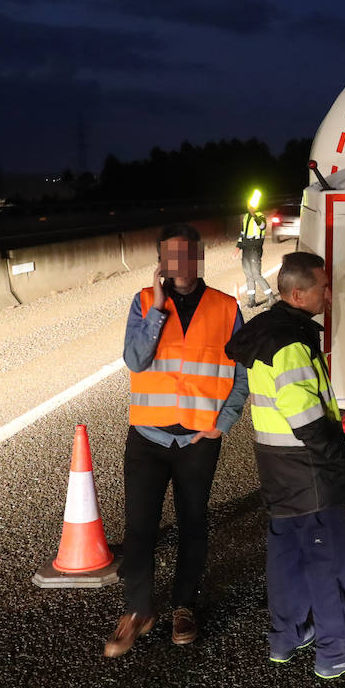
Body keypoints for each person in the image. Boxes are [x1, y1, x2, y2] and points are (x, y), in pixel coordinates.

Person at [223, 251, 345, 678]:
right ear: (298, 293)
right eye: (322, 287)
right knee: (326, 560)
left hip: (276, 464)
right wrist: (335, 461)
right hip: (307, 467)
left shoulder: (266, 331)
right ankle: (335, 651)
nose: (328, 294)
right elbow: (306, 416)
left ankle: (287, 635)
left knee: (287, 554)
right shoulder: (291, 343)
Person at [107, 224, 249, 657]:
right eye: (173, 257)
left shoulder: (226, 307)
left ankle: (184, 605)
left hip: (198, 440)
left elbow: (241, 372)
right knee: (139, 528)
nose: (181, 265)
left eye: (189, 255)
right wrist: (158, 309)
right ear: (161, 263)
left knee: (193, 523)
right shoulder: (144, 302)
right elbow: (135, 359)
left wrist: (223, 422)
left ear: (199, 258)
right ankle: (137, 610)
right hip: (148, 436)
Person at [238, 191, 274, 308]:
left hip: (255, 248)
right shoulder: (246, 216)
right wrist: (238, 248)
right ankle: (251, 301)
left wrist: (254, 215)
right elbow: (243, 233)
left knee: (256, 275)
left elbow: (262, 226)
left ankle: (271, 298)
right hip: (246, 248)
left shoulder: (260, 215)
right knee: (248, 275)